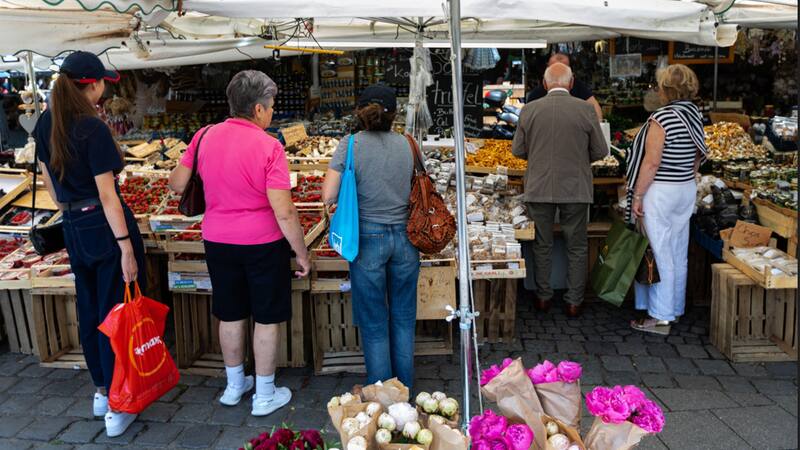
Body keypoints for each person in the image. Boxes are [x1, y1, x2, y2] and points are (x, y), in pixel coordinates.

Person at [169, 70, 310, 417]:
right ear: (259, 109)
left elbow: (176, 184)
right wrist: (302, 253)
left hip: (217, 239)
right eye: (272, 106)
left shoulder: (203, 136)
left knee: (229, 311)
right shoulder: (269, 146)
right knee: (265, 316)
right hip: (262, 243)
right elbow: (285, 210)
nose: (273, 112)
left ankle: (234, 386)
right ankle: (264, 393)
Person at [33, 51, 146, 437]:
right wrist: (126, 247)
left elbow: (49, 183)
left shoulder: (46, 122)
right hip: (102, 223)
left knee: (91, 310)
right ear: (92, 85)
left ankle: (101, 390)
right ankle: (118, 402)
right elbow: (109, 195)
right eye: (100, 85)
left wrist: (70, 209)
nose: (101, 92)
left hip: (73, 223)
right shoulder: (92, 128)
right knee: (117, 312)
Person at [321, 85, 419, 389]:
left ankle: (381, 394)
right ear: (394, 114)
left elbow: (328, 195)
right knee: (403, 318)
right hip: (406, 237)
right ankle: (404, 390)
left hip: (366, 239)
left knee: (374, 321)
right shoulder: (408, 144)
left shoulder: (349, 145)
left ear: (360, 113)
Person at [512, 63, 608, 318]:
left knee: (541, 245)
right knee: (576, 246)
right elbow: (601, 151)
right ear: (571, 82)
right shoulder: (585, 110)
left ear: (544, 84)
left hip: (539, 186)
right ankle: (574, 301)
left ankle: (543, 297)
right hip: (576, 187)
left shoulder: (530, 110)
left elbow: (518, 151)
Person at [628, 64, 707, 335]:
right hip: (685, 187)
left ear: (665, 89)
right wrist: (687, 172)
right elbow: (699, 154)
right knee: (676, 250)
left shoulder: (661, 118)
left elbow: (650, 163)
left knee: (659, 250)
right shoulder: (694, 114)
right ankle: (674, 307)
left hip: (660, 190)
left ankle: (660, 317)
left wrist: (637, 195)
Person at [526, 53, 603, 121]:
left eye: (562, 68)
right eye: (555, 68)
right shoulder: (536, 94)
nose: (558, 71)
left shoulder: (578, 87)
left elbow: (595, 110)